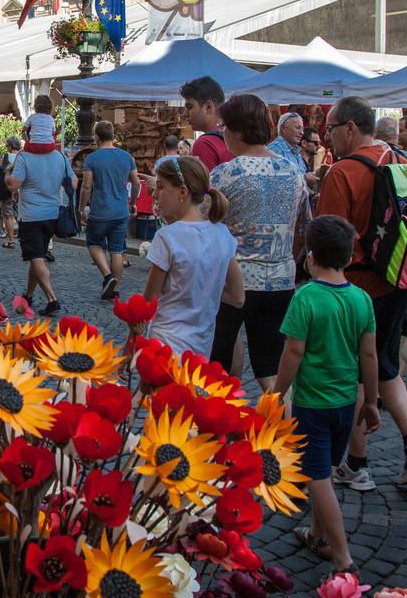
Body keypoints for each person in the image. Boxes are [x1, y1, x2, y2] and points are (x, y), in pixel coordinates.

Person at [317, 96, 407, 489]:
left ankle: (357, 463)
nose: (327, 136)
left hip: (358, 285)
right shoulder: (399, 160)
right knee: (386, 364)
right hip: (398, 278)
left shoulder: (342, 172)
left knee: (355, 373)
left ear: (350, 127)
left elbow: (329, 235)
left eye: (330, 128)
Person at [275, 214, 380, 576]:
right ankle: (318, 536)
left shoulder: (306, 298)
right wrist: (371, 401)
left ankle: (342, 558)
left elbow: (293, 352)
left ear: (310, 257)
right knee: (327, 468)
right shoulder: (362, 300)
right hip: (346, 403)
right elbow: (369, 354)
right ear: (350, 258)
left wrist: (277, 393)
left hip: (312, 404)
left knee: (317, 478)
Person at [210, 94, 309, 392]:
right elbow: (304, 223)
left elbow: (204, 224)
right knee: (270, 369)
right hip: (280, 280)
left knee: (218, 361)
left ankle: (216, 425)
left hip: (233, 283)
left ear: (237, 131)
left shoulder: (226, 173)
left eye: (224, 125)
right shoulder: (293, 172)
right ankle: (284, 429)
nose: (222, 132)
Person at [143, 156, 243, 356]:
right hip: (201, 346)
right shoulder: (223, 234)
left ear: (182, 192)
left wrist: (131, 343)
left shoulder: (167, 237)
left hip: (165, 342)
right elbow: (238, 297)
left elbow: (148, 303)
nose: (155, 194)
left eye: (161, 187)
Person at [6, 142, 75, 317]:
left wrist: (8, 171)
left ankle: (52, 300)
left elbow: (12, 185)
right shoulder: (59, 156)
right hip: (52, 214)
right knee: (37, 257)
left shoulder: (24, 156)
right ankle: (28, 295)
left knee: (37, 259)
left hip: (31, 215)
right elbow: (73, 183)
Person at [79, 121, 141, 302]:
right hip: (121, 210)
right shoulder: (126, 157)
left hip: (100, 211)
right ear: (112, 135)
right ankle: (116, 289)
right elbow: (136, 183)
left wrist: (81, 209)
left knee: (93, 243)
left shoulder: (92, 158)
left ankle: (108, 276)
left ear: (96, 137)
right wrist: (133, 202)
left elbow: (86, 187)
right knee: (117, 250)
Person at [179, 76, 234, 171]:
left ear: (208, 107)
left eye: (189, 107)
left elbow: (202, 186)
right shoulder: (238, 136)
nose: (185, 113)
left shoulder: (204, 143)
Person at [0, 135, 22, 249]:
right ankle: (23, 236)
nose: (6, 147)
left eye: (7, 145)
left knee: (8, 215)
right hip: (21, 188)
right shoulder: (22, 156)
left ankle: (11, 240)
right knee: (19, 214)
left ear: (10, 146)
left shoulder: (6, 156)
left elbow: (0, 172)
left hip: (8, 189)